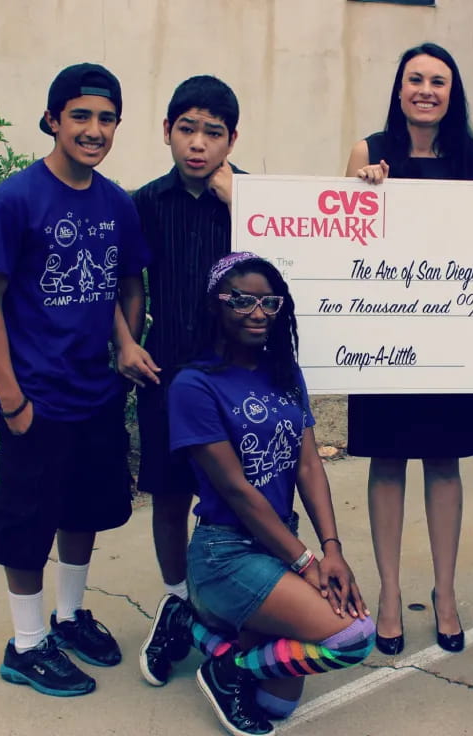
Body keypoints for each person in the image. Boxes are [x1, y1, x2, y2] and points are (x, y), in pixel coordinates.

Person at [0, 63, 152, 696]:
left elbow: (127, 280)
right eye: (80, 115)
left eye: (106, 119)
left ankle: (70, 616)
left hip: (96, 391)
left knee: (87, 508)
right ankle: (25, 646)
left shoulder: (116, 203)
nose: (93, 129)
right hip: (36, 397)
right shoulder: (15, 198)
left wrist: (125, 346)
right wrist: (12, 395)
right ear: (52, 119)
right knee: (28, 522)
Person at [168, 252, 374, 736]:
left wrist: (332, 550)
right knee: (352, 637)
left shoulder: (284, 372)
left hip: (283, 545)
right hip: (226, 551)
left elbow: (308, 464)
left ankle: (196, 632)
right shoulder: (193, 385)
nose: (257, 313)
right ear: (215, 306)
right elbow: (237, 491)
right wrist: (307, 565)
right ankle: (225, 664)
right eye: (241, 300)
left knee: (276, 705)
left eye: (269, 302)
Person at [344, 42, 473, 655]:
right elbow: (342, 240)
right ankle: (387, 593)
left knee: (444, 464)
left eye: (438, 81)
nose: (425, 90)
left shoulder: (471, 157)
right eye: (415, 80)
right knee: (386, 463)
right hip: (382, 331)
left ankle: (445, 593)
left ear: (451, 94)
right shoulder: (367, 151)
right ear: (399, 88)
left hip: (449, 332)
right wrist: (363, 190)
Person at [131, 74, 245, 687]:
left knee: (239, 494)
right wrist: (124, 341)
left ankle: (230, 604)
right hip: (168, 372)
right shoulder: (145, 202)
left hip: (237, 378)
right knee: (170, 492)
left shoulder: (257, 199)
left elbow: (294, 268)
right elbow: (130, 281)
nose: (198, 144)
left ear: (232, 138)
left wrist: (240, 204)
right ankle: (177, 600)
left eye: (213, 132)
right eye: (187, 129)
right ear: (168, 132)